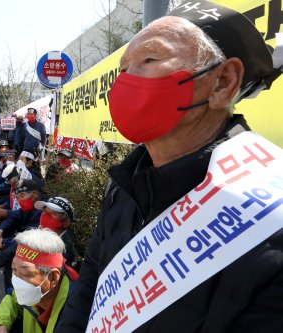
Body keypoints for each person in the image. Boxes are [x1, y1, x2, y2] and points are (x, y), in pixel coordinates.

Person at [55, 4, 283, 332]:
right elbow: (90, 286)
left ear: (222, 82)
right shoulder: (122, 186)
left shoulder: (267, 211)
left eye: (149, 60)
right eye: (122, 70)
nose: (125, 82)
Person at [0, 197, 78, 292]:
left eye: (53, 214)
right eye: (44, 212)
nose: (45, 216)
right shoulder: (43, 230)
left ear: (65, 221)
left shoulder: (68, 245)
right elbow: (16, 246)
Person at [0, 229, 78, 333]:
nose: (17, 281)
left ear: (53, 278)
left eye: (25, 274)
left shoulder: (76, 316)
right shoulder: (34, 293)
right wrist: (1, 325)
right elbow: (13, 299)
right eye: (14, 270)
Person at [0, 179, 42, 252]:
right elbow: (14, 217)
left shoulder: (41, 212)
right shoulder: (27, 209)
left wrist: (3, 243)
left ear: (35, 194)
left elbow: (29, 239)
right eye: (17, 198)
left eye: (22, 195)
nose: (20, 200)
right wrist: (0, 230)